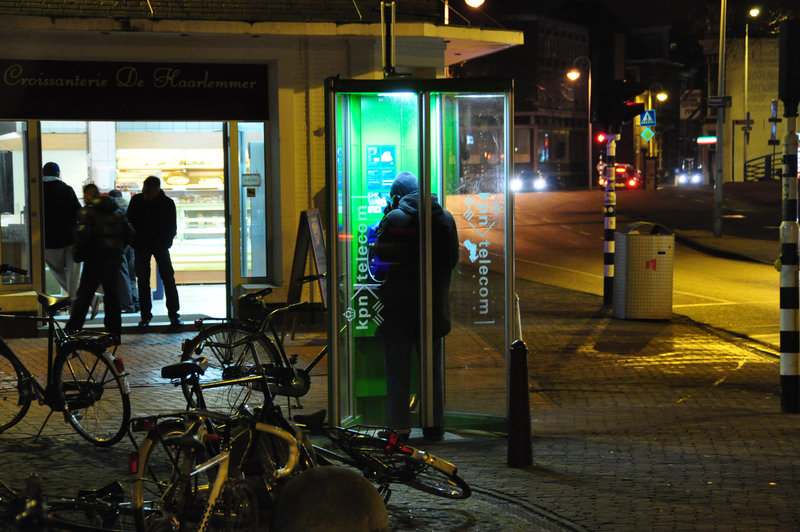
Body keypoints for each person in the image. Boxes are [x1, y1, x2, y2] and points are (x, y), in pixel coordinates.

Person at [373, 171, 459, 442]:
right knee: (432, 371)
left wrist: (386, 216)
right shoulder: (445, 218)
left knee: (397, 371)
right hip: (434, 309)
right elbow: (453, 259)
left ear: (397, 196)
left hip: (400, 309)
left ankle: (398, 427)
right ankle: (434, 425)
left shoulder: (396, 218)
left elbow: (380, 253)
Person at [65, 189, 134, 337]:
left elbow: (83, 236)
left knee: (84, 296)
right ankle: (114, 333)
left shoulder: (87, 212)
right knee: (112, 297)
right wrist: (119, 249)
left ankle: (72, 331)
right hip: (114, 259)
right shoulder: (117, 212)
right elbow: (129, 233)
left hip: (94, 259)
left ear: (87, 196)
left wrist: (78, 255)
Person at [126, 176, 182, 328]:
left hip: (148, 246)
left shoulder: (138, 201)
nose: (146, 194)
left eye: (148, 192)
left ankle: (151, 317)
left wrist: (134, 241)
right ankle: (169, 315)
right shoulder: (166, 203)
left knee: (149, 281)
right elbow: (172, 227)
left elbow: (129, 221)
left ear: (156, 190)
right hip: (153, 246)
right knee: (164, 280)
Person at [42, 162, 81, 302]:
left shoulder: (37, 191)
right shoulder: (67, 189)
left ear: (43, 174)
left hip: (48, 241)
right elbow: (79, 212)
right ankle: (82, 300)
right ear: (59, 174)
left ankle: (80, 299)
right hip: (70, 238)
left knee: (57, 271)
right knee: (73, 275)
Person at [108, 189, 139, 313]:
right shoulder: (128, 206)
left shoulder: (112, 208)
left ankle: (128, 305)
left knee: (123, 275)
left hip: (118, 244)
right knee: (131, 275)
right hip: (131, 244)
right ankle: (136, 301)